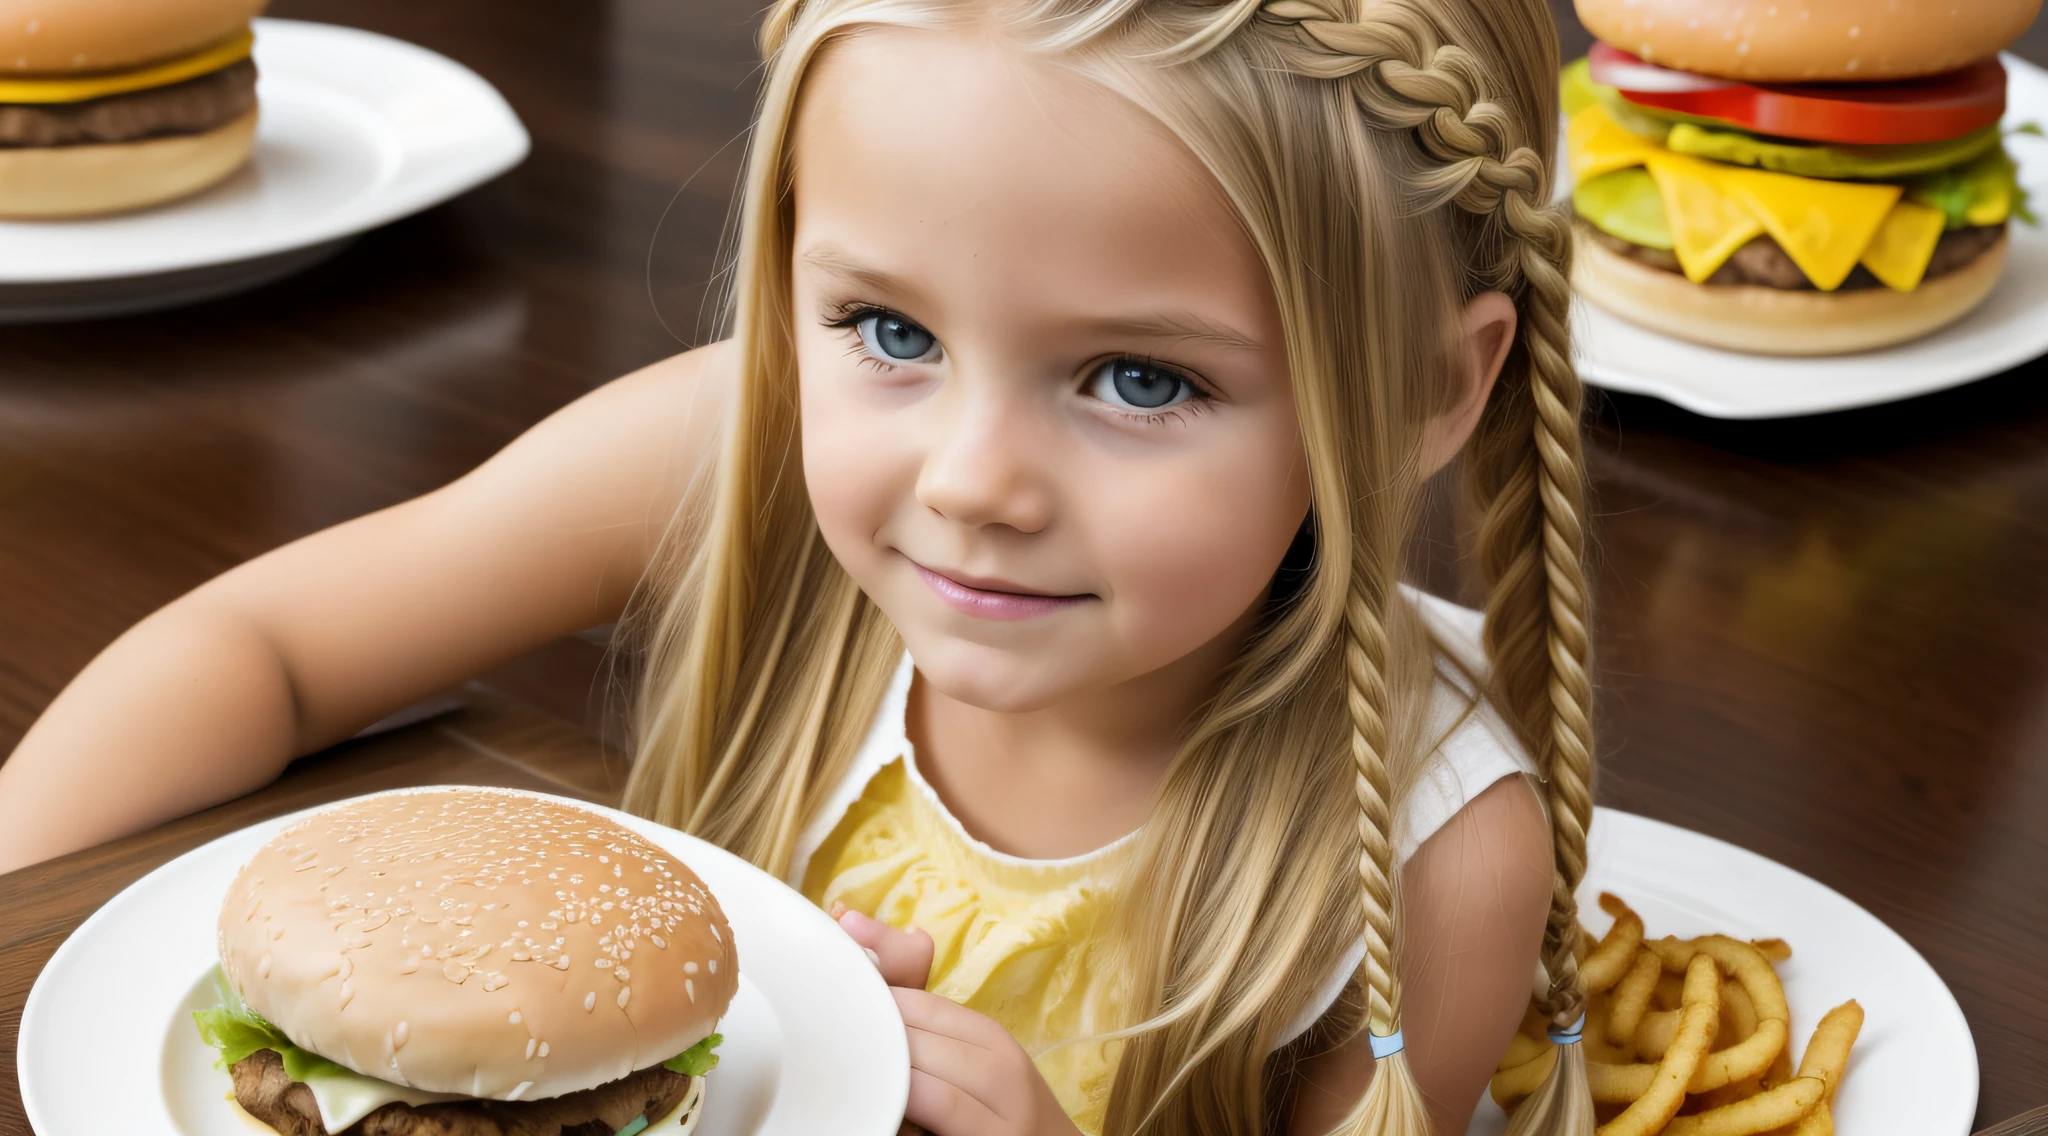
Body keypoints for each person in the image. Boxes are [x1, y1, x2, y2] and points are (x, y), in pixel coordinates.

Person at [0, 0, 1600, 1131]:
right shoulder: (739, 458)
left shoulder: (1433, 862)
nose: (972, 485)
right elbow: (263, 648)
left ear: (1420, 394)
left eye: (1140, 379)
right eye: (890, 331)